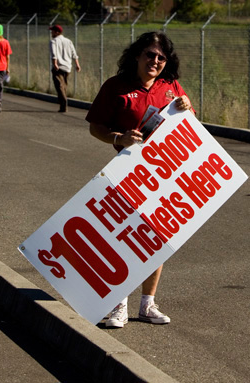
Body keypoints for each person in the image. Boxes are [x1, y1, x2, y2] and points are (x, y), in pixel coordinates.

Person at [86, 31, 193, 328]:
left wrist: (187, 105)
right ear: (136, 55)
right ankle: (118, 305)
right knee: (124, 239)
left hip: (164, 175)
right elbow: (95, 126)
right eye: (150, 54)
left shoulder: (170, 87)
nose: (155, 61)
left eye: (161, 57)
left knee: (157, 239)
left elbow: (188, 123)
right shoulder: (115, 86)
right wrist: (118, 137)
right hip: (128, 173)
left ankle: (147, 304)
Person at [49, 24, 81, 112]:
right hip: (67, 67)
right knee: (64, 86)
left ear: (57, 32)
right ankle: (62, 105)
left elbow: (54, 54)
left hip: (58, 67)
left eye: (52, 31)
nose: (51, 33)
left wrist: (55, 64)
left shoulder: (53, 41)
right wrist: (77, 64)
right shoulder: (68, 41)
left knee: (59, 86)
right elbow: (74, 54)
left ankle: (63, 103)